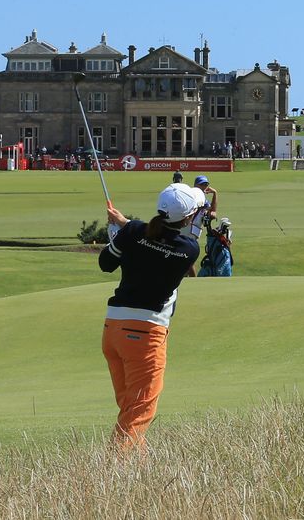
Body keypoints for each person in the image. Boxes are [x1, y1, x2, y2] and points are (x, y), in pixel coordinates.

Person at [99, 184, 202, 450]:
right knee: (139, 411)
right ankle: (114, 474)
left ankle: (139, 472)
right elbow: (155, 239)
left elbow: (106, 263)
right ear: (188, 218)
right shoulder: (189, 249)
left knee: (131, 408)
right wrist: (125, 227)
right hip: (145, 334)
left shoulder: (133, 232)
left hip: (113, 330)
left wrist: (119, 232)